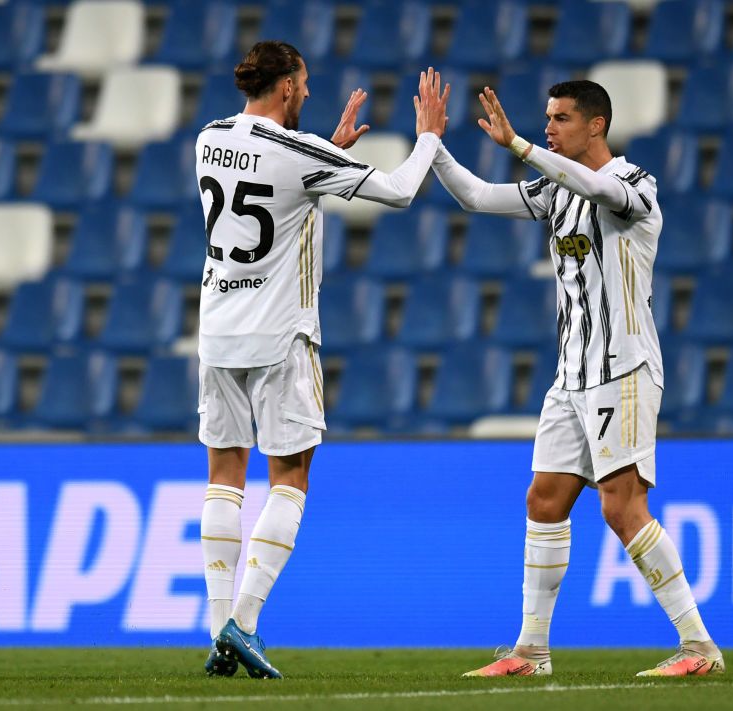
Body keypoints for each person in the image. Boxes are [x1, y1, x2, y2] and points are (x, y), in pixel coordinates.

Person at [430, 81, 724, 678]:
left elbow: (593, 185)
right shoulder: (553, 189)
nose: (550, 127)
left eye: (561, 119)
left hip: (624, 368)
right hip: (571, 374)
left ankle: (699, 649)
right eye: (546, 119)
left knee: (622, 508)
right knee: (545, 499)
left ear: (597, 126)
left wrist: (516, 144)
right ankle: (531, 652)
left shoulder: (635, 184)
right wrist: (431, 146)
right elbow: (479, 198)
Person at [196, 41, 449, 679]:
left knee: (224, 473)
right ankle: (244, 622)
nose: (307, 93)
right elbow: (397, 191)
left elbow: (276, 182)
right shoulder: (298, 152)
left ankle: (216, 629)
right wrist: (426, 138)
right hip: (279, 336)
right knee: (291, 474)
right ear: (285, 88)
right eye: (303, 85)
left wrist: (328, 152)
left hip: (217, 331)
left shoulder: (208, 137)